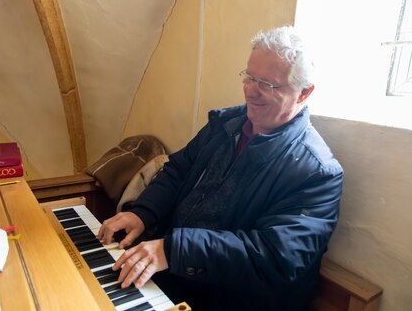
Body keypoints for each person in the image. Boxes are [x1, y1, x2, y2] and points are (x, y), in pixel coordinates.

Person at [97, 26, 343, 310]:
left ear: (304, 93)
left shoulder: (318, 172)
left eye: (268, 85)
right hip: (174, 270)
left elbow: (275, 257)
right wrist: (143, 213)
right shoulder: (225, 124)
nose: (251, 91)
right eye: (250, 77)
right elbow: (178, 170)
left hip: (225, 297)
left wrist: (173, 250)